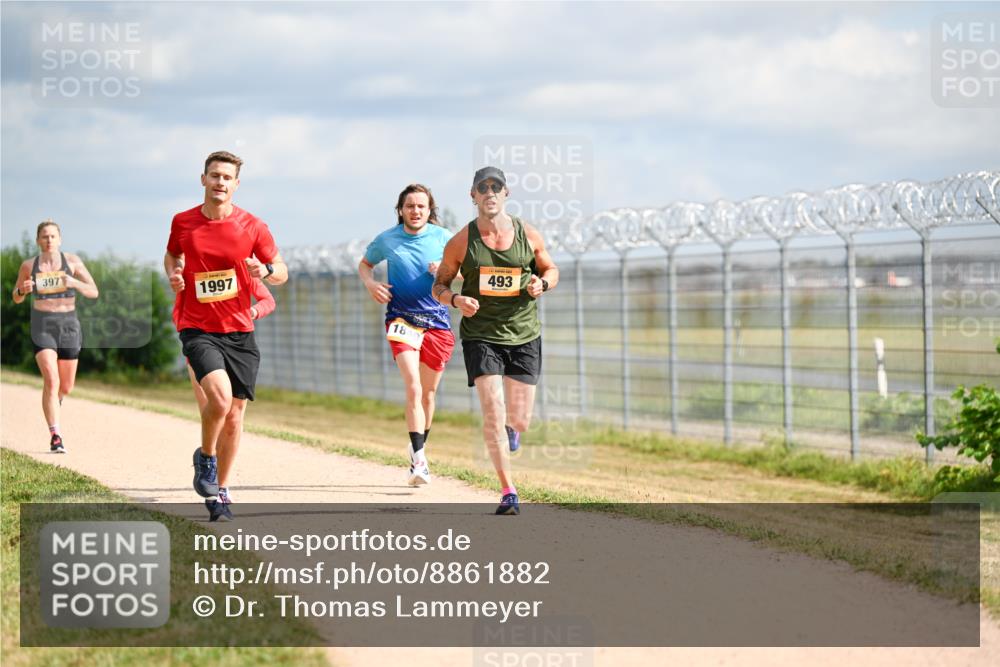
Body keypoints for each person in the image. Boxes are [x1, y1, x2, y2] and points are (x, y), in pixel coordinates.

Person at [164, 150, 288, 522]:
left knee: (234, 417)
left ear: (236, 184)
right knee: (218, 398)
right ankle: (206, 458)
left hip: (239, 332)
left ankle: (220, 492)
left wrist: (264, 270)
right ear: (203, 179)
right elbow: (172, 255)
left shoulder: (253, 226)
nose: (220, 182)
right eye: (214, 175)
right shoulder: (183, 222)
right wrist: (174, 274)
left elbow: (281, 271)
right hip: (198, 327)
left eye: (227, 177)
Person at [433, 167, 559, 515]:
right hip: (481, 335)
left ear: (507, 193)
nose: (490, 192)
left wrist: (542, 285)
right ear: (472, 195)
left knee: (519, 419)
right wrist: (457, 300)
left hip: (524, 334)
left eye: (496, 187)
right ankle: (508, 490)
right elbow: (439, 286)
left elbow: (551, 270)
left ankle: (512, 430)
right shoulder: (461, 241)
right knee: (493, 410)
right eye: (482, 188)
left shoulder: (527, 234)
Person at [359, 184, 455, 486]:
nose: (415, 211)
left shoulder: (444, 238)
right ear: (401, 209)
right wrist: (372, 284)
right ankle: (419, 462)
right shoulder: (387, 239)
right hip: (401, 320)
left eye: (421, 207)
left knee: (428, 394)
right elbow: (365, 265)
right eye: (410, 206)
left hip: (437, 322)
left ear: (430, 210)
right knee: (413, 387)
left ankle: (418, 444)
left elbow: (466, 271)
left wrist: (445, 271)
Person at [174, 274, 276, 515]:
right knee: (216, 410)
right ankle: (209, 469)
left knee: (233, 419)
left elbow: (268, 300)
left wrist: (252, 312)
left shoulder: (242, 269)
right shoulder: (193, 268)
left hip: (239, 343)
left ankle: (221, 488)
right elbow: (178, 312)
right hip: (202, 342)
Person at [11, 220, 99, 453]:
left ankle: (55, 402)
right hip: (42, 325)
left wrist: (74, 282)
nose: (49, 240)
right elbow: (16, 296)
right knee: (51, 379)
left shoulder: (72, 262)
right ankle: (55, 435)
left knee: (66, 386)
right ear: (38, 240)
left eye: (52, 236)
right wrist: (22, 290)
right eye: (44, 236)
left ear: (59, 239)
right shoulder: (29, 266)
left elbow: (93, 291)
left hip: (69, 324)